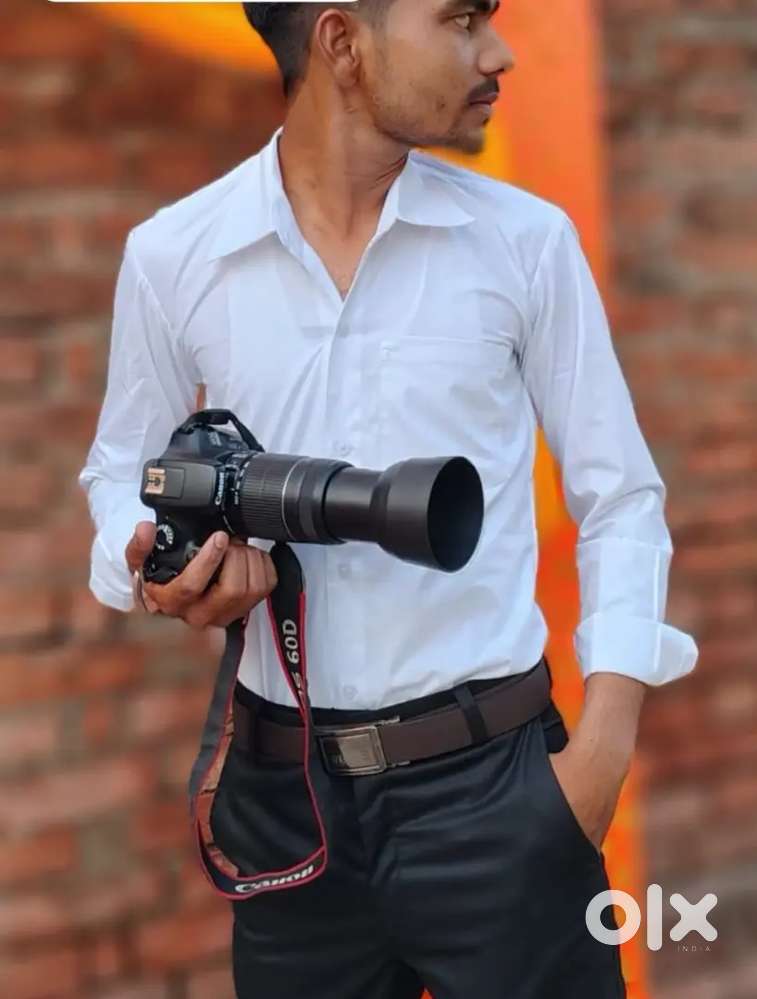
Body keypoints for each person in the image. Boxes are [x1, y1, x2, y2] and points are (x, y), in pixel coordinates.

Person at [78, 2, 700, 997]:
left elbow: (620, 498)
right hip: (285, 806)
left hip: (499, 787)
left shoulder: (524, 242)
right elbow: (120, 471)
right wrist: (155, 560)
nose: (496, 52)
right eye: (459, 20)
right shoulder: (175, 254)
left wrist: (595, 766)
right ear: (342, 42)